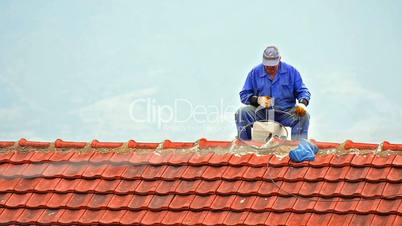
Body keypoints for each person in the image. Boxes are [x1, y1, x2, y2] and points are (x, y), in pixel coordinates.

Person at [235, 45, 311, 140]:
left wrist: (302, 103)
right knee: (242, 113)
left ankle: (298, 147)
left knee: (304, 115)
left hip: (286, 112)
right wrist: (257, 100)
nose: (270, 67)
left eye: (273, 65)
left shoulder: (291, 72)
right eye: (267, 65)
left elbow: (303, 91)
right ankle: (244, 145)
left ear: (279, 59)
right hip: (262, 111)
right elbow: (244, 94)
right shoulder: (255, 73)